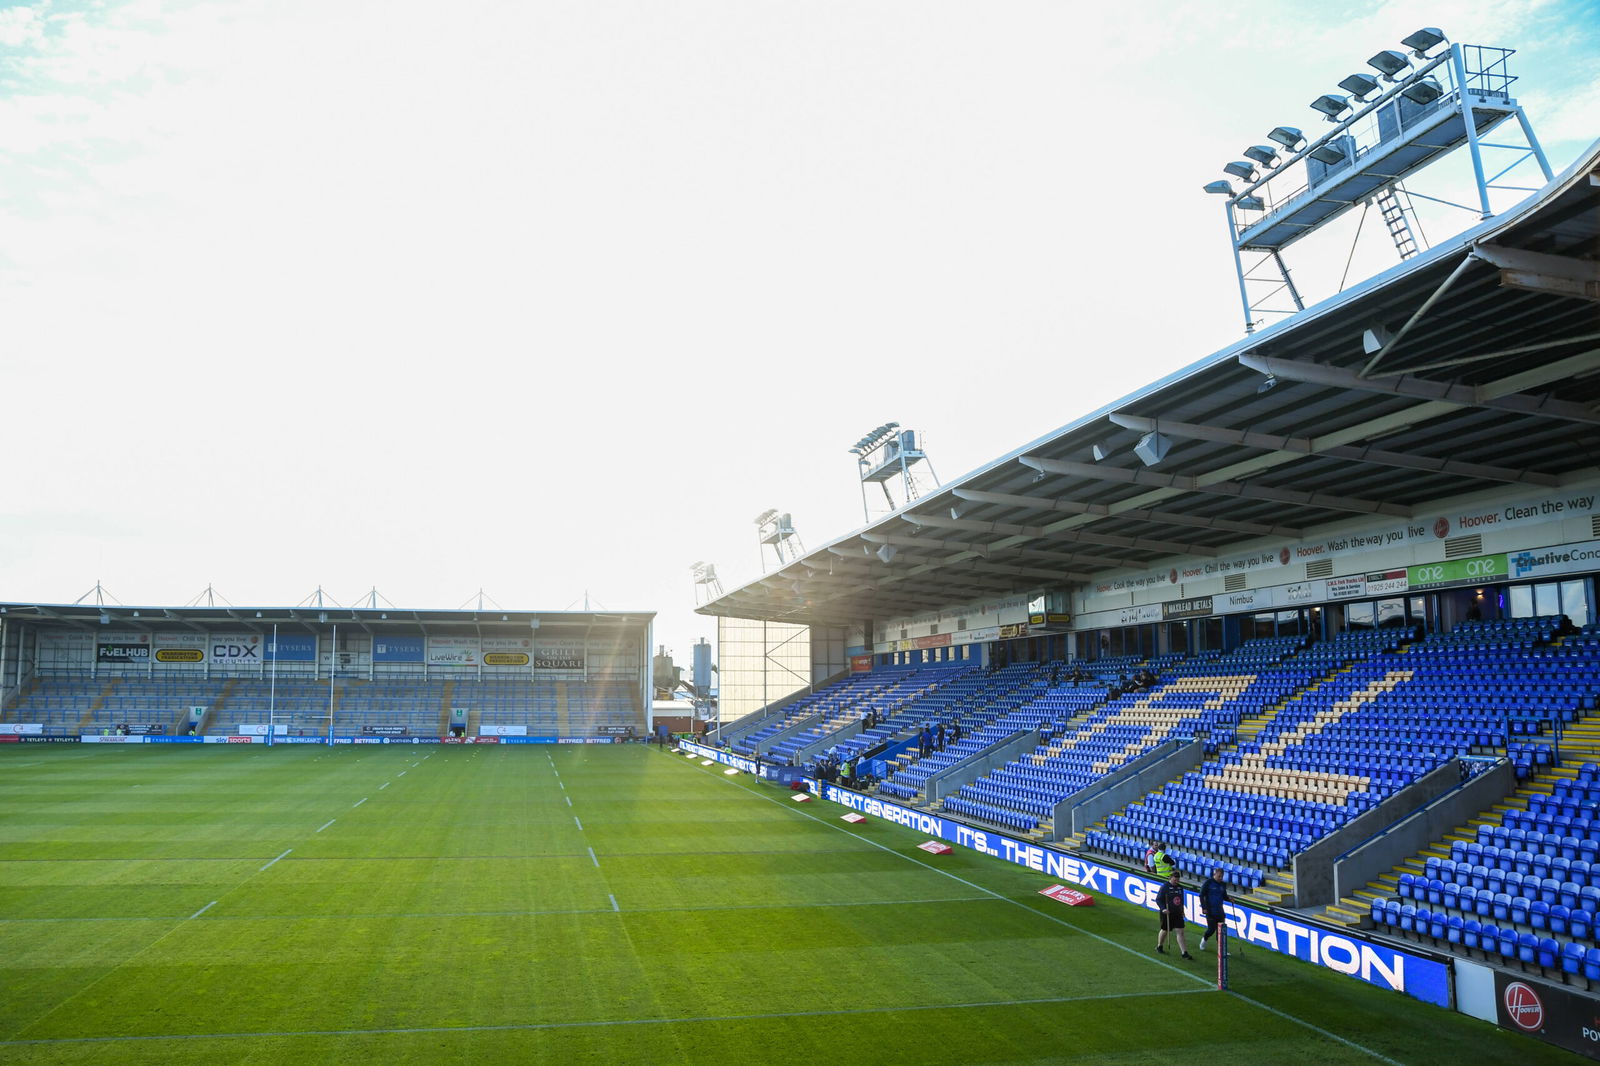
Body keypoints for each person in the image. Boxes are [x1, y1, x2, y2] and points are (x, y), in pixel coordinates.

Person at [1155, 872, 1193, 959]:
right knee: (1165, 930)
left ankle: (1184, 952)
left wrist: (1182, 910)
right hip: (1167, 913)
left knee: (1180, 931)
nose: (1177, 881)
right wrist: (1163, 909)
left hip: (1178, 913)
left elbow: (1181, 900)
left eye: (1178, 879)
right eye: (1175, 879)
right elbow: (1158, 899)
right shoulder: (1165, 887)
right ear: (1170, 878)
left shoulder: (1180, 887)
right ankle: (1159, 946)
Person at [1198, 868, 1230, 953]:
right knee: (1211, 929)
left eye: (1222, 876)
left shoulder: (1222, 884)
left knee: (1221, 931)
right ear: (1214, 874)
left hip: (1220, 910)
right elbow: (1201, 895)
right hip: (1210, 910)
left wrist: (1229, 899)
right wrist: (1204, 907)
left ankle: (1221, 950)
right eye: (1219, 876)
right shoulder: (1208, 883)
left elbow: (1224, 896)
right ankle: (1204, 940)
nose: (1220, 878)